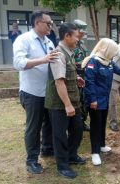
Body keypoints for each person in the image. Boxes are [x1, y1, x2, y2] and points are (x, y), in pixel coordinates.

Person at [13, 10, 56, 174]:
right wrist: (42, 60)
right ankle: (31, 160)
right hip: (31, 92)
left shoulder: (48, 42)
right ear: (38, 23)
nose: (51, 26)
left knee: (48, 123)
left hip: (48, 92)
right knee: (33, 127)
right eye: (48, 23)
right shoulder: (24, 40)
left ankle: (47, 148)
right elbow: (18, 63)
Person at [82, 38, 120, 166]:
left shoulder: (109, 62)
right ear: (106, 50)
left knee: (102, 123)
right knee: (95, 125)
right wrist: (93, 100)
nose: (114, 55)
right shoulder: (93, 62)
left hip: (105, 99)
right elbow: (89, 82)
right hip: (95, 100)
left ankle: (101, 145)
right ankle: (95, 152)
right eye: (113, 52)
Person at [44, 22, 86, 179]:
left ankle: (71, 155)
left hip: (71, 101)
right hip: (59, 104)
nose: (78, 39)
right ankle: (62, 166)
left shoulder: (68, 52)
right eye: (76, 36)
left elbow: (66, 73)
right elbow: (59, 81)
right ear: (67, 36)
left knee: (78, 129)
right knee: (60, 135)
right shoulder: (58, 54)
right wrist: (67, 105)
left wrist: (76, 77)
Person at [73, 19, 90, 132]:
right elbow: (68, 62)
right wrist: (81, 64)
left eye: (84, 32)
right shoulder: (70, 44)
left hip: (84, 77)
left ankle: (82, 122)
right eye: (81, 32)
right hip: (74, 78)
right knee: (75, 101)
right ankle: (74, 125)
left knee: (84, 101)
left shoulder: (82, 44)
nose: (83, 34)